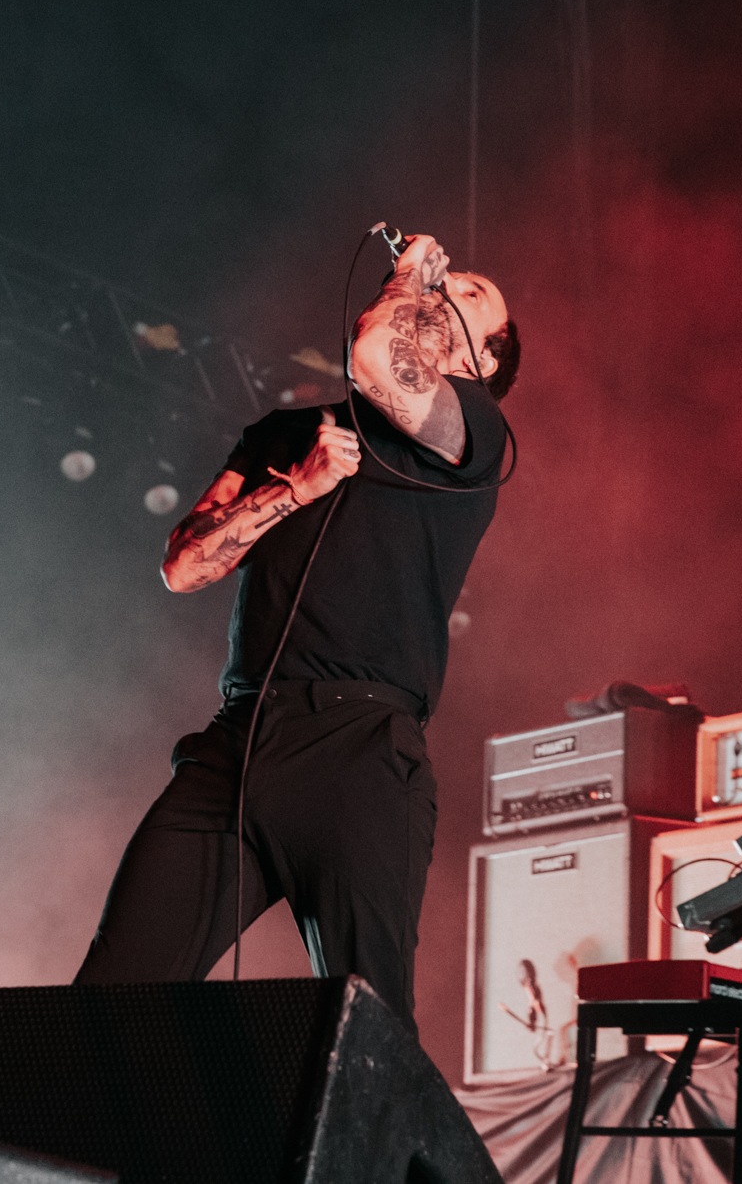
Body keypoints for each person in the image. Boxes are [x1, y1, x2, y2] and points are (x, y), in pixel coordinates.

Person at [76, 233, 519, 1032]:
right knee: (110, 994)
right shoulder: (285, 436)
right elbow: (183, 565)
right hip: (238, 742)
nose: (451, 282)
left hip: (361, 749)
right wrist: (293, 490)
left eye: (473, 293)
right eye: (452, 277)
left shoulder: (473, 434)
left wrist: (409, 273)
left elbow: (376, 356)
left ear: (482, 361)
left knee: (368, 1025)